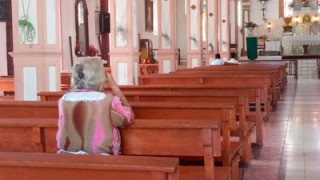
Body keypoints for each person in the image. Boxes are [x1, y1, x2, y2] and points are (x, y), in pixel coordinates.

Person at [56, 57, 134, 155]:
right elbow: (128, 118)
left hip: (67, 156)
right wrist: (114, 87)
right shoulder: (107, 100)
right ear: (100, 78)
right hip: (101, 159)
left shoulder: (64, 100)